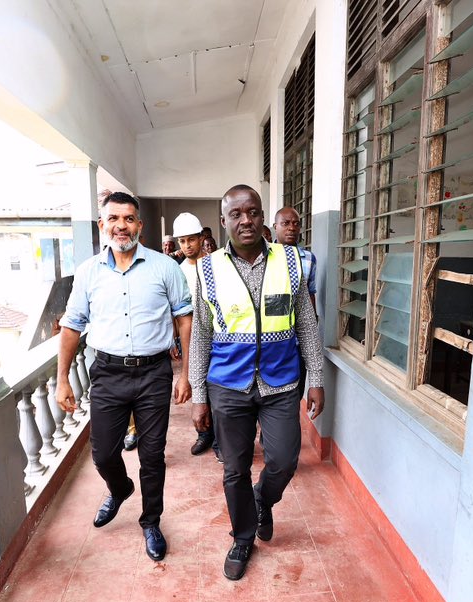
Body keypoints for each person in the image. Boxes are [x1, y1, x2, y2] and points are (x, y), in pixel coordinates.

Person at [190, 185, 325, 581]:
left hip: (281, 382)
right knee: (234, 468)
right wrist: (199, 395)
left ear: (262, 216)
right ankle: (243, 536)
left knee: (283, 460)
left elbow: (307, 324)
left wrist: (315, 376)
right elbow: (200, 334)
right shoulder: (208, 267)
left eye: (252, 212)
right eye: (236, 214)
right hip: (228, 385)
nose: (245, 220)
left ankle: (261, 500)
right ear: (223, 220)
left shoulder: (290, 261)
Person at [57, 191, 193, 563]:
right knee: (102, 453)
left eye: (129, 218)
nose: (122, 225)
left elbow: (184, 319)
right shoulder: (87, 273)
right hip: (107, 373)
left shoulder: (166, 267)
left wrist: (185, 375)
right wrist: (62, 379)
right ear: (102, 225)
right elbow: (71, 327)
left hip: (154, 374)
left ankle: (151, 521)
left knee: (152, 455)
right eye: (114, 218)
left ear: (140, 225)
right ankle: (119, 489)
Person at [173, 212, 222, 461]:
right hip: (190, 339)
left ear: (201, 238)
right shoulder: (177, 271)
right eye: (182, 241)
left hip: (217, 338)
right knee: (196, 383)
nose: (186, 246)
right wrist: (174, 340)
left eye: (190, 239)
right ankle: (204, 433)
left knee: (219, 388)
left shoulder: (217, 266)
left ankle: (222, 439)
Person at [273, 206, 318, 399]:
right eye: (285, 223)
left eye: (296, 224)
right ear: (275, 227)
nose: (291, 228)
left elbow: (311, 294)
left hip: (298, 341)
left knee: (294, 394)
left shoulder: (308, 259)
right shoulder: (265, 256)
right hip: (272, 341)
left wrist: (311, 327)